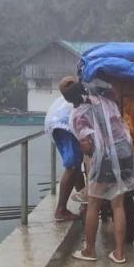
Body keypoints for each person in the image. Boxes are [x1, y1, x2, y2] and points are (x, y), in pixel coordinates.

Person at [65, 78, 134, 264]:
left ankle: (90, 250)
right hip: (124, 153)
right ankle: (119, 253)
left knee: (94, 203)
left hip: (105, 158)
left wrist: (91, 153)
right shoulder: (108, 102)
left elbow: (86, 144)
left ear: (71, 100)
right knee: (118, 204)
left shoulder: (78, 114)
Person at [45, 76, 86, 221]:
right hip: (64, 126)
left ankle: (83, 199)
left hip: (58, 124)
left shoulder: (67, 98)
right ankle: (61, 209)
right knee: (73, 165)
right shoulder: (79, 95)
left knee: (76, 164)